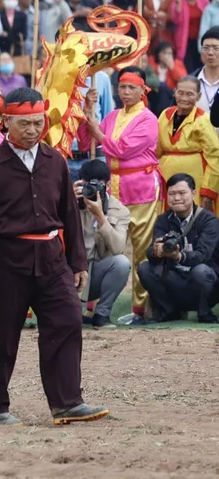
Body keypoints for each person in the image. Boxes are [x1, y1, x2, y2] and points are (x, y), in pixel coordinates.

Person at [0, 87, 107, 426]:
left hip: (52, 257)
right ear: (6, 122)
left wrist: (78, 262)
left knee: (68, 319)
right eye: (24, 123)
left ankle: (67, 402)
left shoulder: (55, 161)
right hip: (5, 259)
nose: (31, 130)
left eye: (37, 123)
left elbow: (70, 215)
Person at [79, 67, 163, 323]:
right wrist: (86, 111)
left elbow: (122, 149)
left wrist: (98, 133)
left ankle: (142, 308)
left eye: (131, 88)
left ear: (142, 90)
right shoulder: (113, 115)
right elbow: (86, 143)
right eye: (122, 87)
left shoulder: (149, 119)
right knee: (100, 243)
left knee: (141, 247)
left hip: (141, 186)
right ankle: (89, 306)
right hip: (111, 187)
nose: (125, 92)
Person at [137, 173, 219, 324]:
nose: (176, 198)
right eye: (172, 194)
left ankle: (205, 312)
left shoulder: (209, 220)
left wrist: (178, 256)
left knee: (201, 270)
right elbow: (150, 252)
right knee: (145, 268)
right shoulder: (164, 219)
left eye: (182, 193)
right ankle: (169, 311)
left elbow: (203, 255)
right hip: (176, 280)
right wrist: (156, 251)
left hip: (206, 284)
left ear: (193, 193)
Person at [74, 160, 131, 328]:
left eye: (98, 185)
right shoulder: (68, 202)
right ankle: (71, 312)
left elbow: (118, 248)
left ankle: (102, 314)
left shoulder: (119, 210)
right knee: (69, 321)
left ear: (107, 184)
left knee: (121, 263)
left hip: (97, 271)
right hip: (70, 271)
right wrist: (68, 202)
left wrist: (100, 216)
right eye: (87, 184)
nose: (92, 189)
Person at [158, 76, 219, 211]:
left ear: (198, 96)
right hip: (166, 178)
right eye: (180, 92)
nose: (184, 98)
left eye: (190, 94)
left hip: (195, 180)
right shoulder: (165, 115)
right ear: (175, 92)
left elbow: (215, 157)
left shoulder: (203, 120)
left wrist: (208, 192)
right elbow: (156, 149)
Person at [173, 0, 207, 72]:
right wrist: (178, 4)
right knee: (188, 67)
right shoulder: (179, 1)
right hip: (186, 41)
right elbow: (176, 20)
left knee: (201, 65)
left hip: (200, 40)